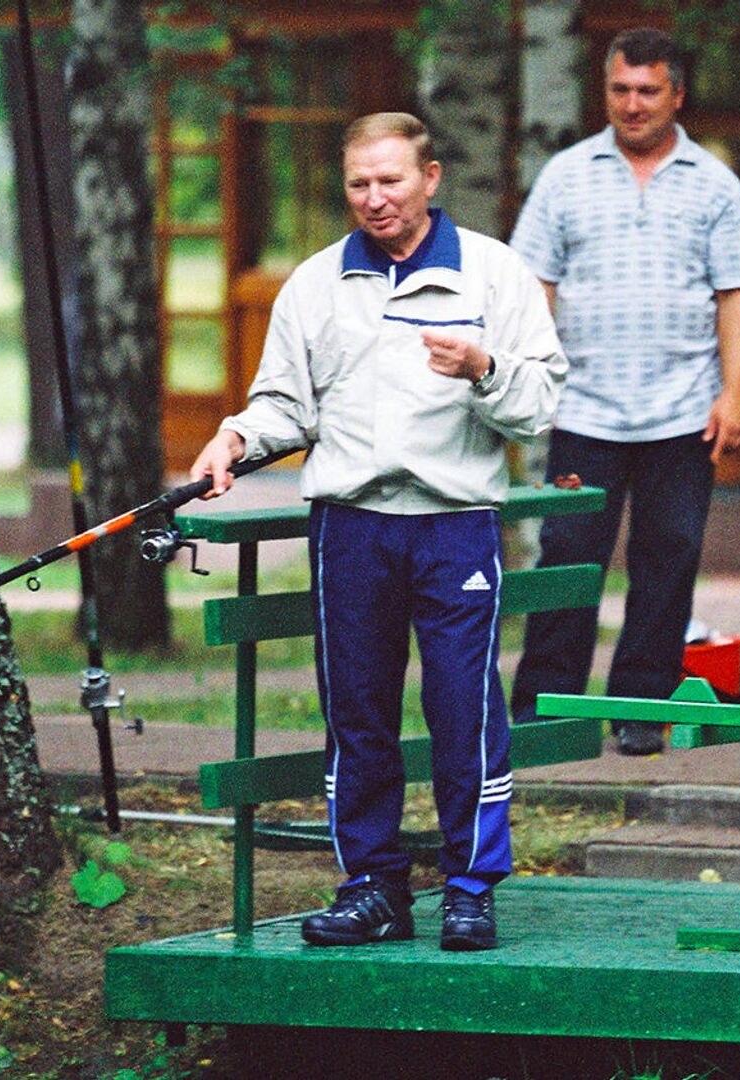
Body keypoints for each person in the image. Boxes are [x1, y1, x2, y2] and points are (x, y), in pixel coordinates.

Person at [190, 112, 566, 952]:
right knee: (356, 711)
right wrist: (237, 437)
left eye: (391, 180)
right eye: (359, 184)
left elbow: (541, 401)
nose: (375, 199)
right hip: (350, 528)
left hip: (454, 524)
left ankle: (471, 885)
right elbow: (286, 403)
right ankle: (372, 885)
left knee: (462, 706)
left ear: (430, 178)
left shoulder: (494, 275)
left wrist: (483, 369)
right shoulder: (317, 284)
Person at [506, 28, 740, 756]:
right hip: (583, 409)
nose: (633, 104)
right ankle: (545, 711)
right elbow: (532, 285)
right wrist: (529, 378)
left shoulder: (714, 183)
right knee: (567, 557)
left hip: (684, 411)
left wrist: (735, 393)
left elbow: (739, 293)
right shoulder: (566, 174)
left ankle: (640, 709)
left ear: (676, 95)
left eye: (648, 91)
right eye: (621, 89)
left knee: (669, 555)